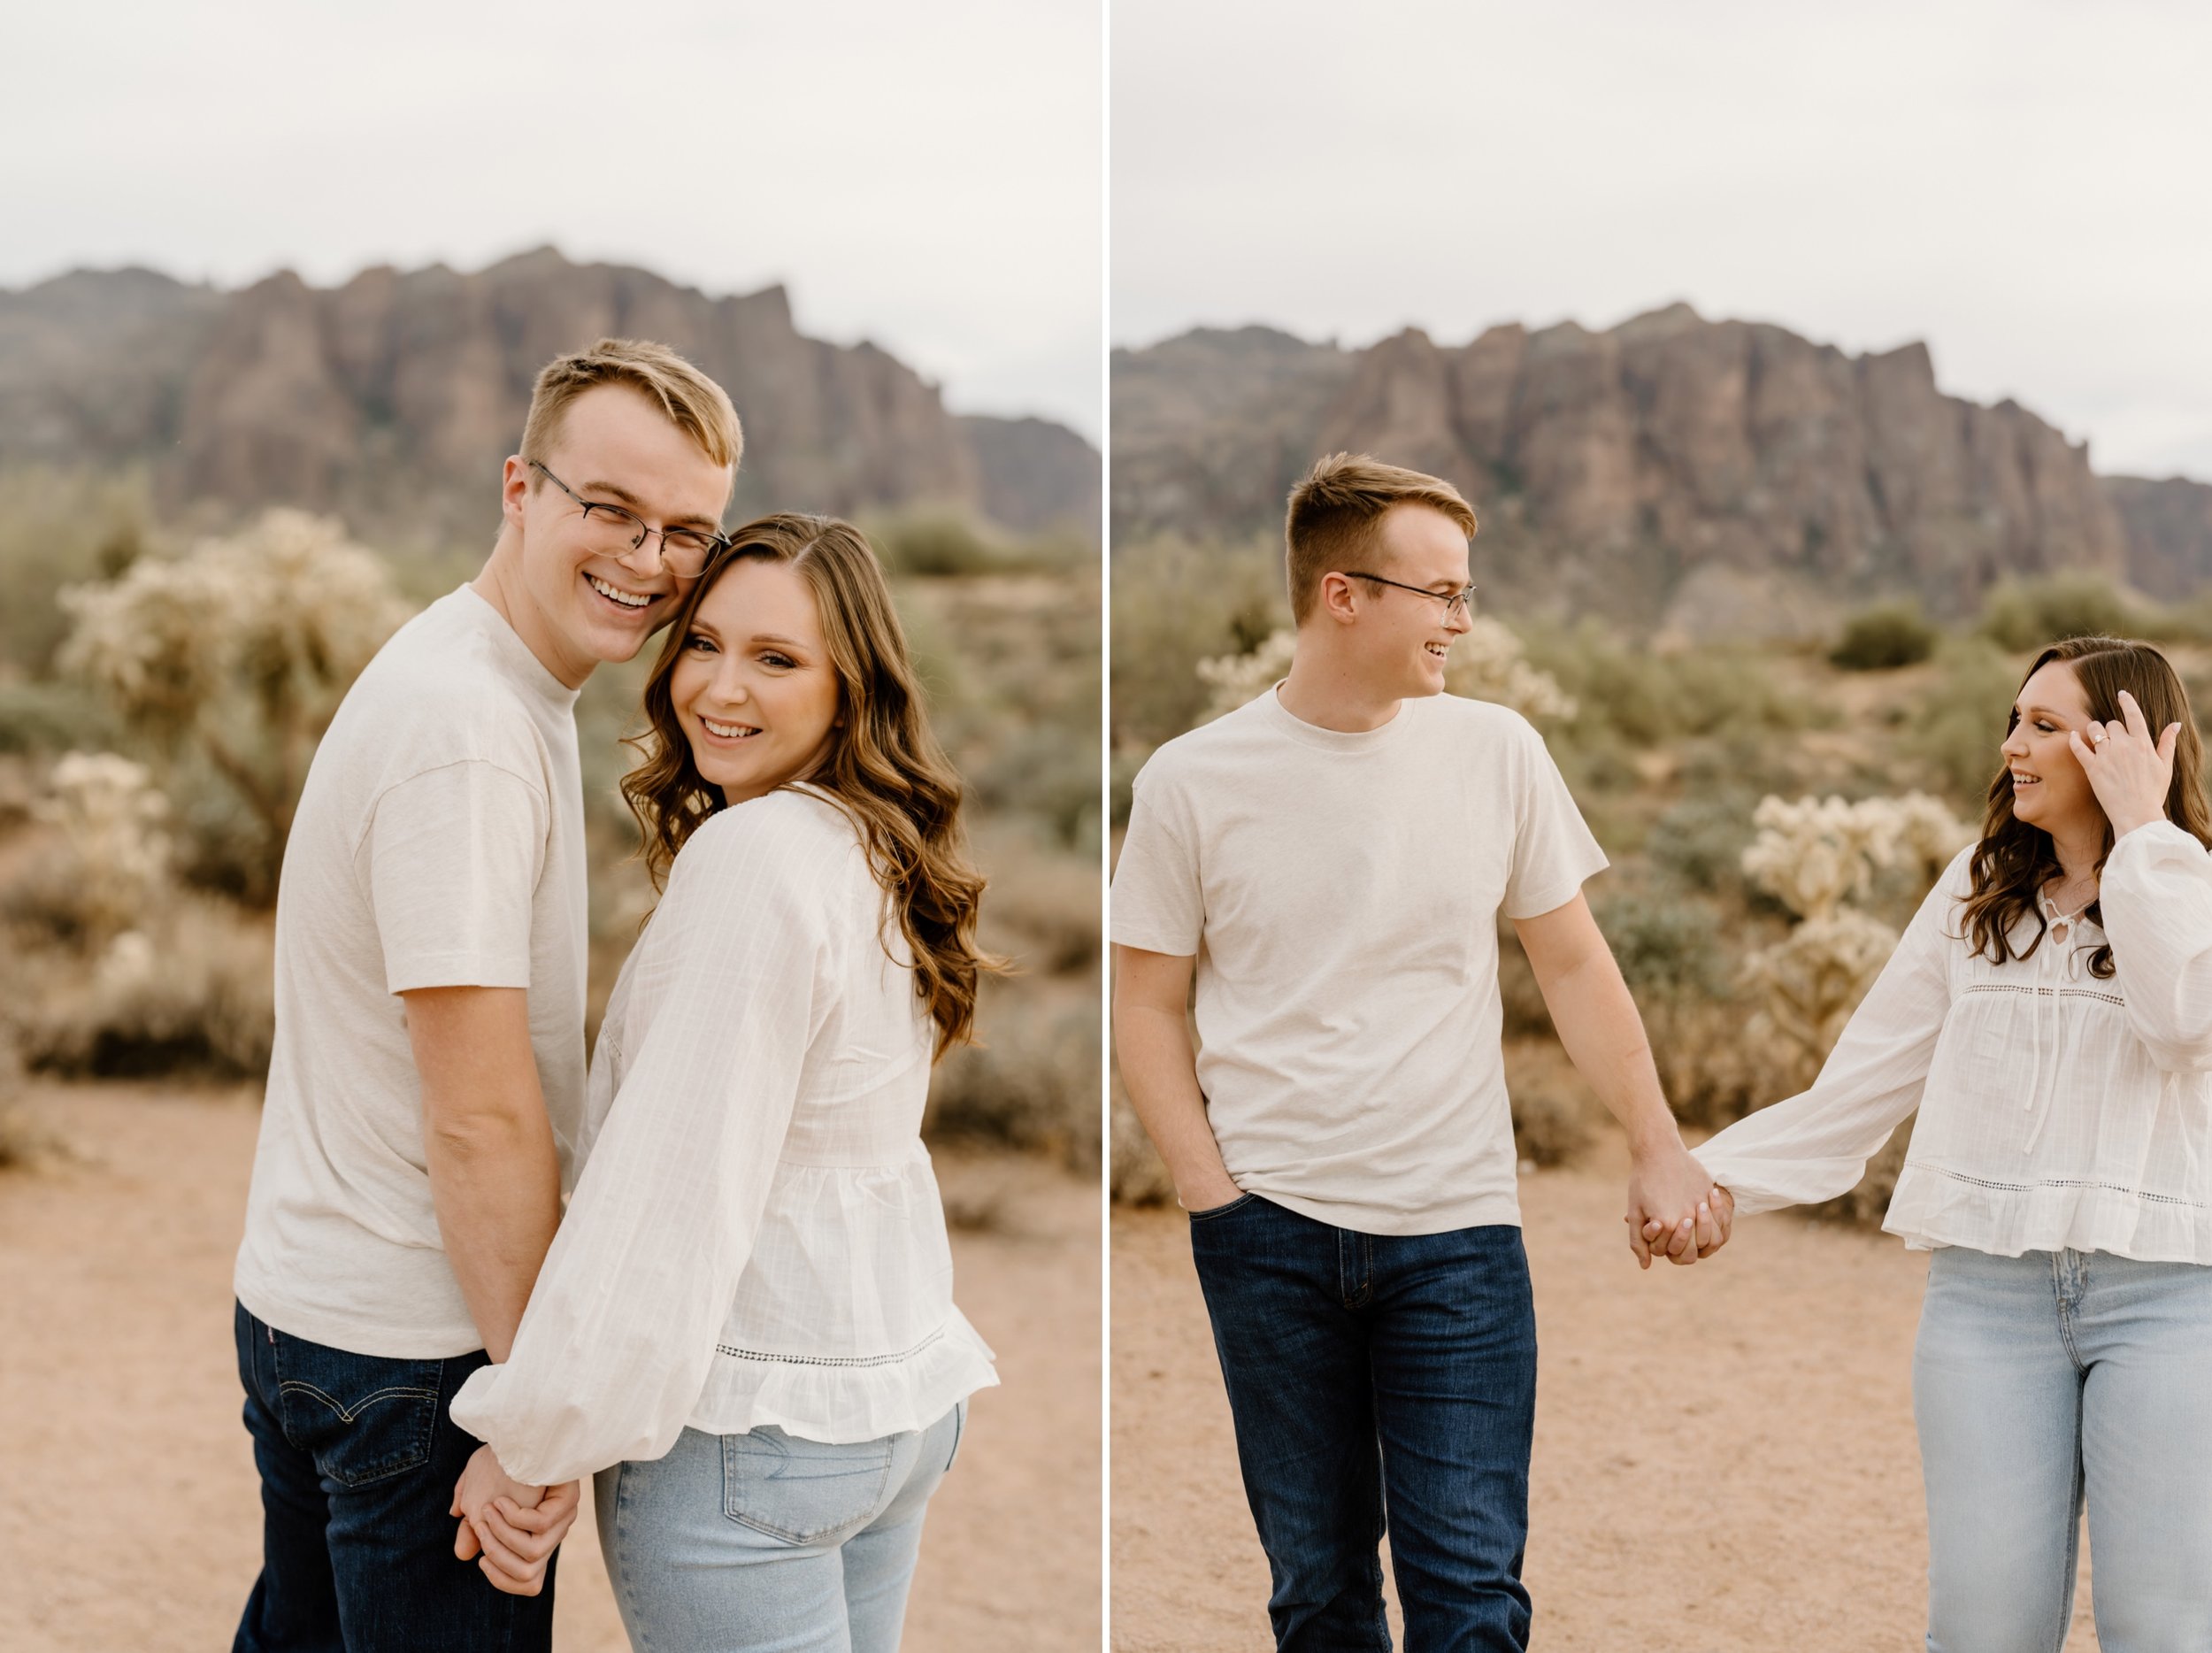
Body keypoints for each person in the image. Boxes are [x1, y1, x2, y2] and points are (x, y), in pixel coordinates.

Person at [1110, 451, 1725, 1652]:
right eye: (1440, 592)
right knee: (1321, 1593)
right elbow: (1144, 1004)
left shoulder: (1497, 753)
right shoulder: (1191, 779)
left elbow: (1575, 964)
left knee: (1471, 1599)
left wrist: (1657, 1146)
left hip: (1459, 1236)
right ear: (1344, 593)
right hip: (1267, 1233)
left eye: (1464, 592)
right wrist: (1210, 1196)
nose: (1461, 619)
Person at [229, 338, 741, 1649]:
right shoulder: (465, 730)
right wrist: (533, 1408)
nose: (647, 559)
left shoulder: (487, 678)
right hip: (413, 1361)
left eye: (687, 530)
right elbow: (480, 1118)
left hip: (317, 1311)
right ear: (520, 487)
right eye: (610, 511)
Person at [444, 514, 1000, 1651]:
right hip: (891, 1398)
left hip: (751, 1433)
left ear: (852, 690)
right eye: (702, 643)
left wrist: (535, 1433)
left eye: (778, 659)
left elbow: (672, 1190)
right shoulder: (875, 841)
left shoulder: (755, 857)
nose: (719, 688)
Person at [1691, 635, 2212, 1649]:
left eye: (2047, 726)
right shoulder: (1974, 895)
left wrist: (2143, 831)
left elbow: (2179, 1020)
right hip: (1985, 1298)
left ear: (2127, 746)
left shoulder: (2189, 887)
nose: (2014, 744)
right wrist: (1711, 1180)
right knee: (1980, 1627)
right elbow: (1862, 1080)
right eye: (2015, 719)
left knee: (2161, 1627)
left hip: (2169, 1298)